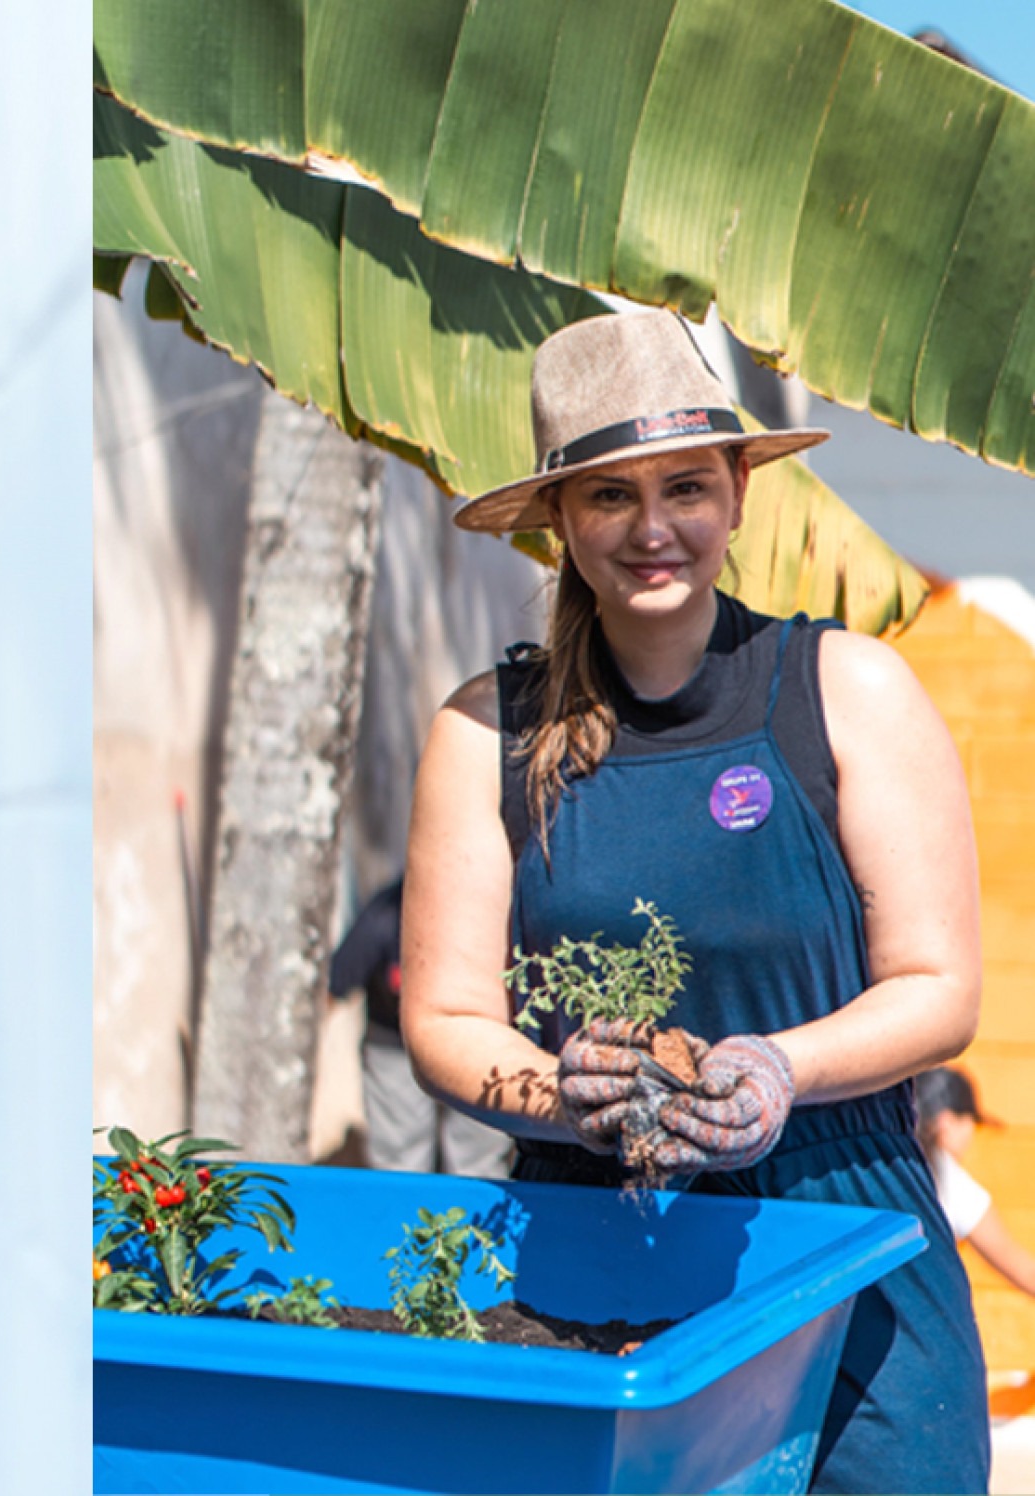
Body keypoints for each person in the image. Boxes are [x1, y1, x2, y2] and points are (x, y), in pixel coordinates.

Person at [400, 308, 988, 1493]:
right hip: (589, 1250)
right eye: (610, 497)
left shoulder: (846, 690)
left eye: (685, 486)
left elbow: (939, 986)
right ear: (559, 519)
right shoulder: (484, 732)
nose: (653, 529)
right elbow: (445, 1016)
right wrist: (560, 1098)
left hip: (846, 1236)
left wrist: (778, 1068)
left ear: (736, 492)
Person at [328, 876, 509, 1176]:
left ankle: (475, 1216)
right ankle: (401, 1218)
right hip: (395, 1045)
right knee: (398, 1157)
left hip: (479, 1042)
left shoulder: (496, 912)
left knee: (478, 1161)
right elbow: (336, 986)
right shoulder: (386, 914)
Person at [918, 1065, 1035, 1295]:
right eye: (972, 1123)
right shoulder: (950, 1181)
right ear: (947, 1123)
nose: (972, 1136)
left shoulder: (891, 1161)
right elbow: (1023, 1271)